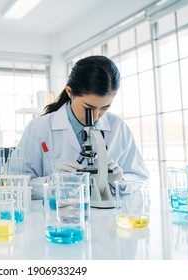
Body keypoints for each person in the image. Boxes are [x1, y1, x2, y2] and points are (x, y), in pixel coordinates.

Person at [17, 55, 149, 199]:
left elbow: (140, 178)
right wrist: (53, 183)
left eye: (105, 108)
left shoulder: (118, 127)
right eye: (88, 108)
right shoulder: (39, 128)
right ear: (69, 92)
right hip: (59, 216)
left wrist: (120, 181)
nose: (95, 116)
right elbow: (18, 184)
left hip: (108, 217)